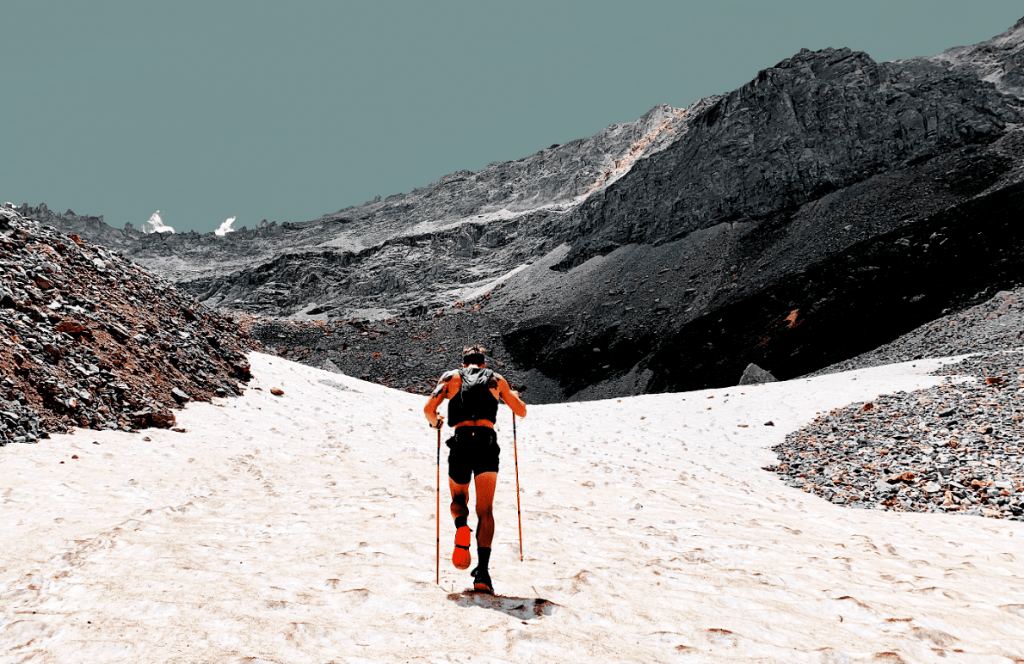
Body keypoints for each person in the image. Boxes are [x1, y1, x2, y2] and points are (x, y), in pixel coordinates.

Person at [424, 344, 527, 594]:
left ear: (464, 363)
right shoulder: (496, 379)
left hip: (460, 443)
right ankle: (482, 572)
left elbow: (429, 409)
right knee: (485, 509)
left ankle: (461, 526)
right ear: (483, 363)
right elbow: (521, 411)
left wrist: (436, 423)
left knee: (459, 497)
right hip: (486, 443)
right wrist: (509, 393)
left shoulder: (450, 378)